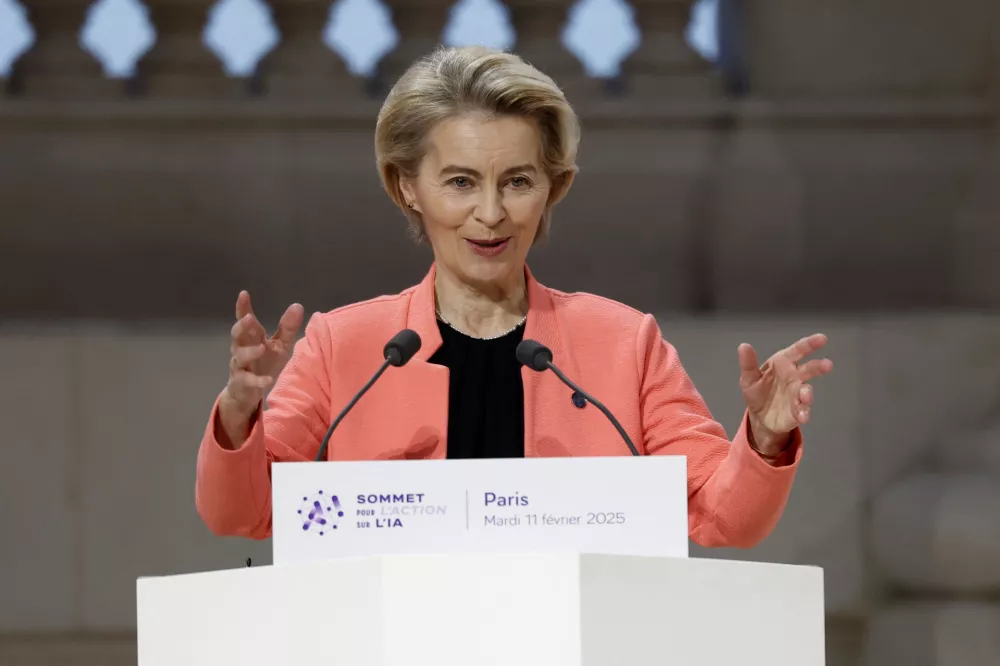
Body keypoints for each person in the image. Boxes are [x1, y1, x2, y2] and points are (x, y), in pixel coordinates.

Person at [195, 45, 833, 548]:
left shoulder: (622, 344)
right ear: (406, 186)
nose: (492, 214)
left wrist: (765, 439)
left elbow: (721, 516)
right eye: (461, 182)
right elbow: (242, 514)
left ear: (555, 188)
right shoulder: (348, 348)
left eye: (518, 181)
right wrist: (237, 415)